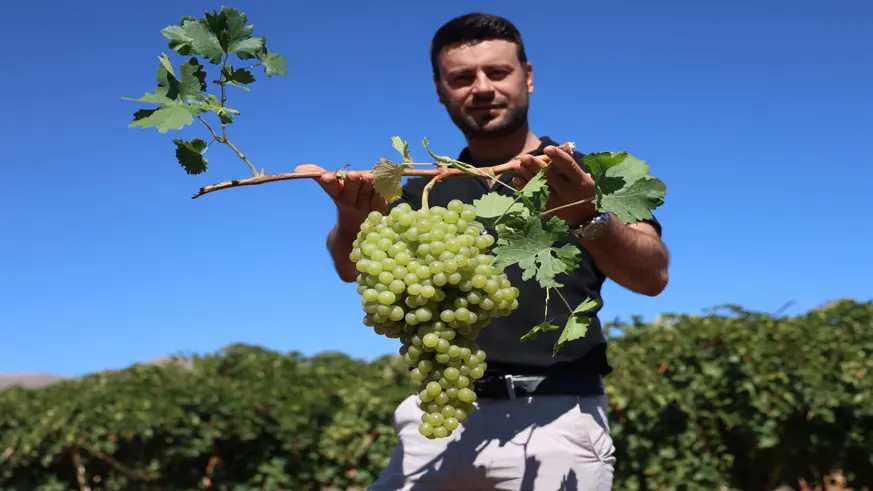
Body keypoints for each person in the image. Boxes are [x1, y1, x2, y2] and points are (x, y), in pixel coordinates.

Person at [297, 12, 670, 491]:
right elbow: (350, 267)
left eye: (497, 72)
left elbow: (652, 273)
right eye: (461, 77)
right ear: (440, 89)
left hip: (555, 421)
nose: (481, 88)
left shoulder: (587, 175)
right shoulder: (423, 193)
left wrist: (583, 215)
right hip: (437, 418)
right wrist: (352, 215)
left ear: (528, 77)